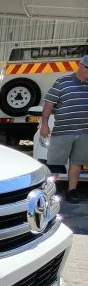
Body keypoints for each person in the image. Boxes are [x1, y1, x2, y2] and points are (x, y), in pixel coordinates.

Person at [41, 55, 88, 204]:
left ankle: (71, 191)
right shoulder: (62, 82)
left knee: (77, 163)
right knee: (55, 164)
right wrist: (44, 124)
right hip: (63, 131)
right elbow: (49, 104)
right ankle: (47, 192)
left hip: (84, 132)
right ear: (81, 66)